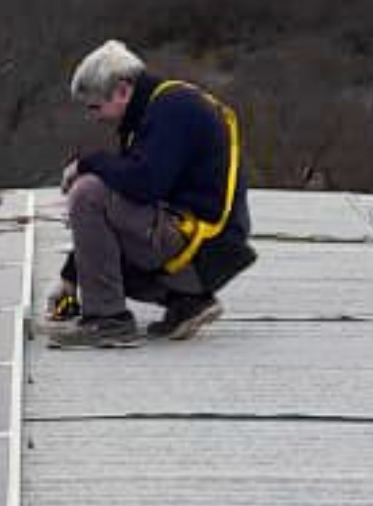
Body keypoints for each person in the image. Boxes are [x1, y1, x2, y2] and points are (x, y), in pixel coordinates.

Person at [47, 40, 257, 349]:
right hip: (202, 250)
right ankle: (188, 303)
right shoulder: (151, 113)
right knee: (98, 226)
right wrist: (70, 277)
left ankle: (107, 321)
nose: (96, 117)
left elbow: (145, 186)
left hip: (204, 248)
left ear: (121, 90)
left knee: (88, 191)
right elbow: (122, 205)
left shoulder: (175, 109)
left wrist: (87, 164)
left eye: (96, 106)